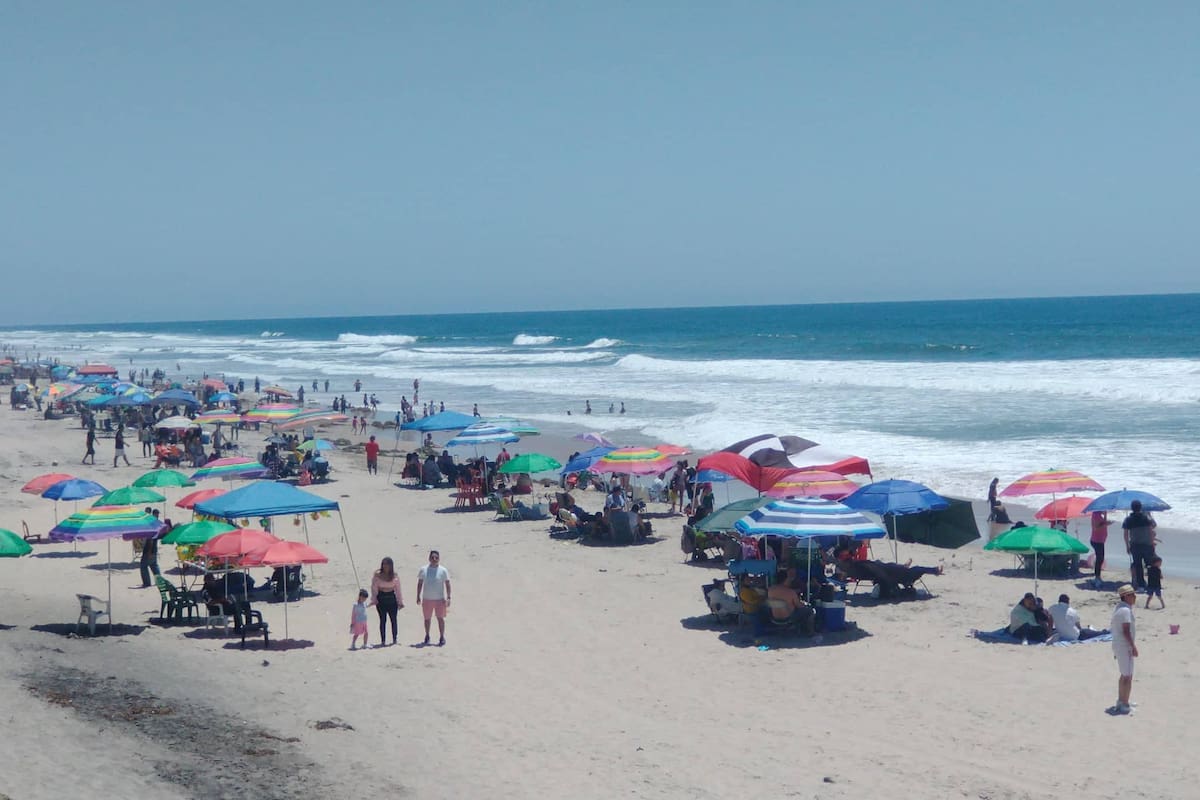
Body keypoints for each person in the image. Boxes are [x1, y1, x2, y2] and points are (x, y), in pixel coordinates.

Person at [1110, 584, 1138, 715]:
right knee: (1127, 676)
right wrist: (1133, 646)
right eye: (1132, 594)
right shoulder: (1125, 611)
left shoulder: (1120, 608)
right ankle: (1124, 703)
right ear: (1126, 596)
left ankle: (1122, 700)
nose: (1135, 597)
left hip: (1119, 645)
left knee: (1125, 674)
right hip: (1124, 646)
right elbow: (1126, 631)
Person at [416, 550, 451, 646]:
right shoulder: (423, 569)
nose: (434, 559)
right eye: (432, 557)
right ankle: (427, 635)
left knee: (440, 618)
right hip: (427, 599)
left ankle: (442, 637)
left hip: (439, 599)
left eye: (436, 557)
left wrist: (448, 597)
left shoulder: (443, 570)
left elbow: (447, 584)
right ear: (429, 558)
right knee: (427, 619)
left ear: (439, 558)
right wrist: (418, 596)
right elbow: (420, 583)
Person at [1122, 500, 1157, 589]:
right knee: (1150, 564)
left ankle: (1141, 584)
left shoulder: (1128, 519)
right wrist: (1152, 542)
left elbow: (1126, 534)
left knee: (1138, 565)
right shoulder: (1146, 518)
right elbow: (1151, 530)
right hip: (1147, 544)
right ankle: (1152, 583)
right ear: (1140, 507)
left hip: (1135, 545)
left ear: (1132, 508)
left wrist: (1127, 546)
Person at [369, 557, 404, 646]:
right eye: (384, 564)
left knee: (393, 620)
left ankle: (394, 639)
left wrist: (400, 601)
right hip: (381, 599)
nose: (386, 566)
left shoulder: (395, 576)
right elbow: (374, 588)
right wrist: (374, 599)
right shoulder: (377, 575)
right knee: (383, 620)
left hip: (392, 599)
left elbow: (398, 589)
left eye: (388, 564)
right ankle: (383, 640)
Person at [140, 509, 163, 587]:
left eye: (158, 514)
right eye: (157, 514)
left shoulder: (152, 525)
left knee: (143, 566)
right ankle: (160, 581)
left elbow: (151, 540)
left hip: (149, 550)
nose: (157, 516)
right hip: (154, 550)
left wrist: (149, 552)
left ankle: (147, 583)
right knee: (154, 565)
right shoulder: (156, 524)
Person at [1089, 511, 1111, 587]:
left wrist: (1105, 516)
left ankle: (1097, 577)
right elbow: (1096, 527)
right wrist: (1106, 523)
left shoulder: (1099, 515)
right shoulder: (1096, 514)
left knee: (1100, 559)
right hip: (1097, 540)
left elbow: (1102, 523)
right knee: (1100, 559)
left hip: (1100, 540)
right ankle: (1097, 577)